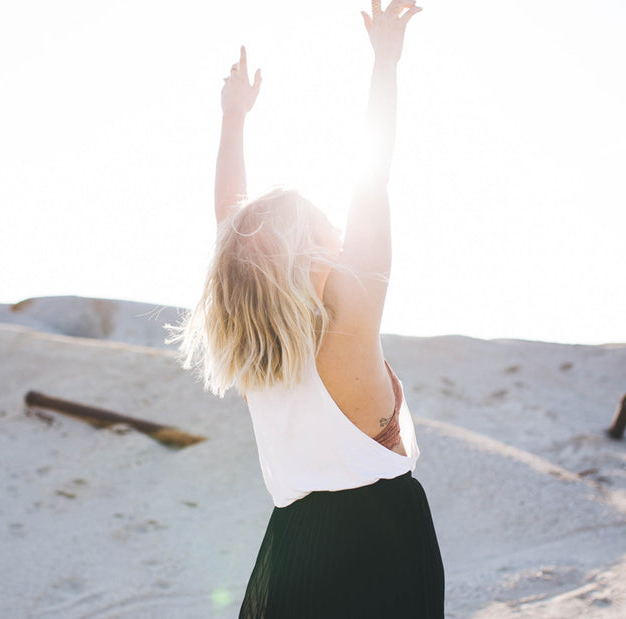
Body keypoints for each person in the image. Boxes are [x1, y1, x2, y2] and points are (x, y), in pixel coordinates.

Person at [174, 1, 443, 616]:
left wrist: (233, 120)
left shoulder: (256, 357)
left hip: (292, 547)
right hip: (383, 545)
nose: (343, 240)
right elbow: (372, 181)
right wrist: (386, 63)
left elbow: (229, 227)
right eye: (328, 230)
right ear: (305, 251)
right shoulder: (350, 316)